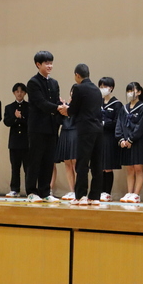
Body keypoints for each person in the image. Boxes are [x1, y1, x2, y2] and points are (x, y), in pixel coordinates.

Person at [61, 64, 104, 206]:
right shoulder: (97, 90)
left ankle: (81, 196)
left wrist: (66, 109)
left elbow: (73, 109)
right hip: (98, 129)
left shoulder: (79, 88)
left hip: (85, 130)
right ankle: (95, 197)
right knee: (97, 164)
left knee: (82, 163)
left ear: (77, 75)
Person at [25, 51, 64, 203]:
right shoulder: (33, 82)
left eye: (51, 63)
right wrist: (58, 108)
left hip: (51, 128)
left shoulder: (54, 83)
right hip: (37, 128)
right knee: (35, 160)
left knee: (48, 161)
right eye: (46, 63)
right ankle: (31, 191)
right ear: (38, 64)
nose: (50, 66)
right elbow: (41, 103)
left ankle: (45, 192)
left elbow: (56, 102)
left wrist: (63, 107)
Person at [116, 82, 143, 203]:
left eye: (133, 90)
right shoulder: (124, 108)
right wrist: (121, 139)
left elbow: (141, 127)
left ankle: (136, 194)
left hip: (137, 142)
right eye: (128, 91)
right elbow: (119, 124)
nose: (130, 93)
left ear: (139, 92)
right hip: (125, 143)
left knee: (138, 168)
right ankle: (129, 192)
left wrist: (131, 139)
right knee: (129, 169)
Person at [99, 77, 123, 202]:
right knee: (99, 166)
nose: (103, 89)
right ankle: (99, 191)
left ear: (111, 88)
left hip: (109, 137)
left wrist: (104, 124)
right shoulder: (98, 102)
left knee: (108, 166)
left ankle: (107, 192)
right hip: (98, 137)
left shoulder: (117, 104)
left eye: (105, 87)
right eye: (101, 87)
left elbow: (117, 122)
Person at [3, 83, 29, 198]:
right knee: (15, 168)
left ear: (25, 93)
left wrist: (21, 118)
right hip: (14, 142)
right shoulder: (9, 107)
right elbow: (6, 122)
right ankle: (14, 189)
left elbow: (31, 122)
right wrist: (15, 117)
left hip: (27, 142)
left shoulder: (29, 106)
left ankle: (30, 190)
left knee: (28, 168)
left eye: (21, 91)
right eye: (17, 91)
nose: (19, 93)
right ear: (14, 93)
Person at [56, 86, 78, 201]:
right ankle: (72, 190)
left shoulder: (79, 106)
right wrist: (61, 107)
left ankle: (78, 191)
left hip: (75, 133)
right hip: (64, 132)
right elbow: (59, 120)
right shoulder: (65, 105)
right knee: (67, 163)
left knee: (75, 163)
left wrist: (69, 109)